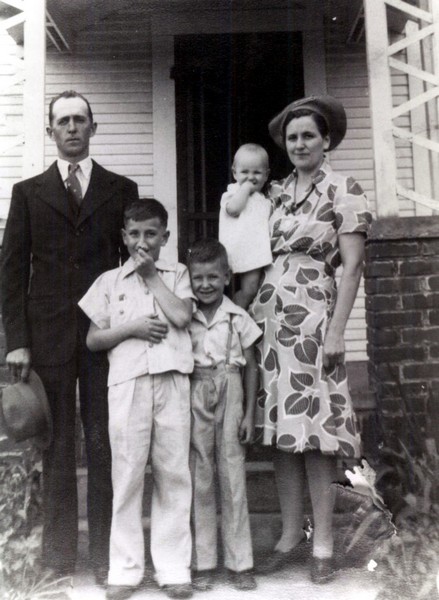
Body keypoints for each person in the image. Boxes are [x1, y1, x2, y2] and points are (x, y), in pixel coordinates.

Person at [0, 90, 139, 584]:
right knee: (57, 444)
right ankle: (59, 558)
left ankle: (105, 555)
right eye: (64, 121)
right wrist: (17, 340)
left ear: (93, 128)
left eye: (81, 120)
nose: (73, 128)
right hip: (48, 335)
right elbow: (12, 270)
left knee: (104, 441)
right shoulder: (28, 192)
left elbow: (133, 266)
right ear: (51, 131)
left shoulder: (121, 189)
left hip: (105, 336)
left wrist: (130, 328)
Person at [249, 95, 372, 583]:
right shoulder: (275, 192)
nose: (299, 144)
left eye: (308, 136)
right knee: (283, 433)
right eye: (292, 137)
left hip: (315, 321)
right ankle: (288, 536)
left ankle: (322, 543)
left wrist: (337, 329)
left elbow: (352, 266)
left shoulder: (344, 189)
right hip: (271, 322)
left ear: (326, 141)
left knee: (316, 433)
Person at [79, 198, 194, 600]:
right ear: (123, 237)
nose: (142, 241)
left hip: (172, 380)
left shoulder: (178, 274)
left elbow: (182, 316)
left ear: (165, 236)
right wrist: (132, 328)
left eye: (151, 234)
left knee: (172, 473)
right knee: (126, 474)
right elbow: (94, 339)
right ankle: (125, 569)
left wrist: (151, 277)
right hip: (128, 384)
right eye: (134, 234)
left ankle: (173, 568)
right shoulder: (109, 281)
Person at [186, 238, 261, 592]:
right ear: (189, 279)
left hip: (231, 389)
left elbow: (252, 366)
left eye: (213, 277)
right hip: (196, 390)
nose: (205, 285)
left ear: (227, 277)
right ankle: (203, 562)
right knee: (200, 475)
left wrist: (249, 414)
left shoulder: (238, 317)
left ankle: (240, 562)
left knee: (232, 475)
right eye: (198, 278)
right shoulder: (185, 317)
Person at [218, 143, 272, 309]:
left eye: (257, 172)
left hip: (254, 253)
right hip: (237, 250)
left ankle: (237, 313)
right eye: (245, 172)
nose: (250, 177)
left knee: (252, 289)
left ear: (266, 175)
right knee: (245, 290)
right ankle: (232, 314)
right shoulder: (232, 192)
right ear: (234, 172)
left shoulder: (263, 199)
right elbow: (233, 209)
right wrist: (246, 188)